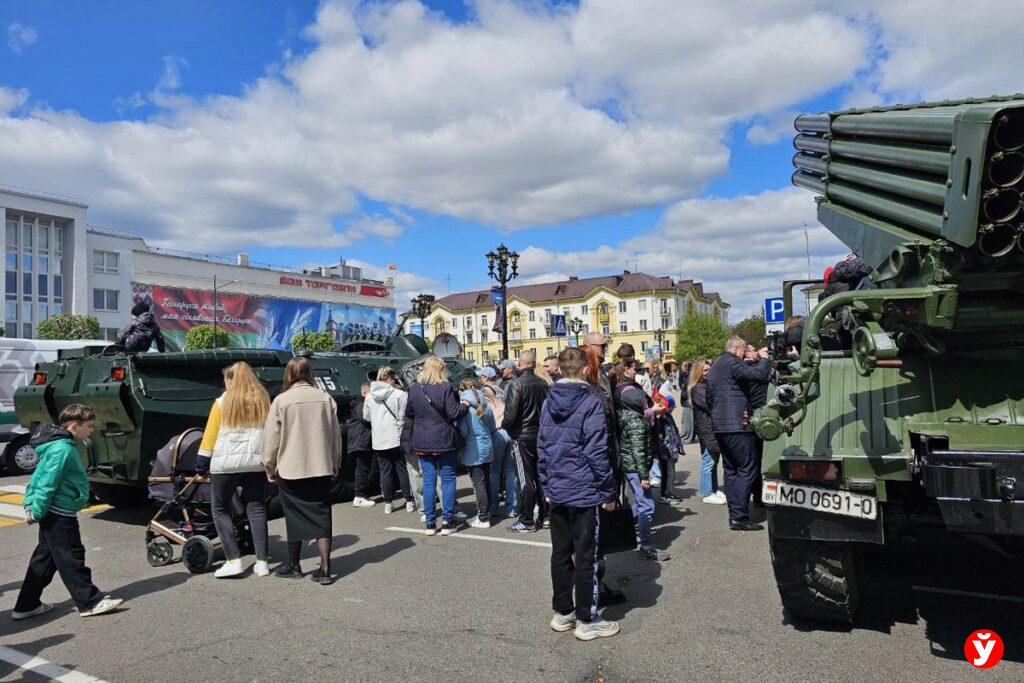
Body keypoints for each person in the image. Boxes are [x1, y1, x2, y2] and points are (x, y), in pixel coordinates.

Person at [539, 347, 620, 641]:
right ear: (585, 370)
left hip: (559, 488)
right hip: (584, 489)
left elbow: (542, 446)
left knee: (561, 553)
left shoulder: (549, 401)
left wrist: (546, 485)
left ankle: (563, 612)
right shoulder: (590, 402)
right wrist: (608, 491)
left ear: (560, 369)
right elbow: (596, 451)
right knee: (587, 556)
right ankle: (587, 618)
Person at [13, 404, 124, 620]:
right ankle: (90, 602)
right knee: (71, 557)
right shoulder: (63, 449)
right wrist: (36, 511)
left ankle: (26, 605)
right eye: (89, 426)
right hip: (59, 512)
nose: (92, 430)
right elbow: (46, 482)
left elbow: (38, 477)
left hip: (55, 511)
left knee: (44, 560)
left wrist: (32, 506)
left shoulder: (57, 446)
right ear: (74, 426)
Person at [261, 357, 342, 584]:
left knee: (293, 516)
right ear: (309, 373)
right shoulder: (325, 398)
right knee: (322, 515)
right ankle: (325, 568)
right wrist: (335, 461)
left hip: (290, 468)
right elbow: (335, 435)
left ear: (289, 374)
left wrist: (269, 465)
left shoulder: (281, 401)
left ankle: (294, 565)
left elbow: (271, 439)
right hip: (321, 466)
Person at [196, 362, 272, 578]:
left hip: (225, 465)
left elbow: (209, 437)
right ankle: (262, 562)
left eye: (226, 381)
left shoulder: (222, 403)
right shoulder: (263, 401)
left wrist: (201, 465)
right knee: (256, 509)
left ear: (232, 380)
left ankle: (233, 560)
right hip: (255, 463)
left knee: (220, 509)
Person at [707, 336, 771, 531]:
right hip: (737, 425)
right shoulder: (733, 362)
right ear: (736, 349)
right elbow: (759, 374)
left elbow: (710, 397)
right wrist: (764, 357)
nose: (745, 355)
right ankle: (739, 517)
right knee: (746, 468)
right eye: (744, 351)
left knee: (731, 470)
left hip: (720, 426)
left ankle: (734, 514)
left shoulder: (717, 365)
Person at [612, 359, 670, 562]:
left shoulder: (627, 415)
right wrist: (645, 475)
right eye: (645, 403)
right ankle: (646, 546)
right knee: (647, 506)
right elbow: (638, 450)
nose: (648, 406)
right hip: (636, 467)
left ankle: (622, 527)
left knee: (640, 504)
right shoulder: (637, 422)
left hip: (630, 465)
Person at [406, 356, 469, 536]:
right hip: (444, 439)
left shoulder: (414, 388)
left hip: (422, 440)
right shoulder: (445, 387)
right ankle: (447, 522)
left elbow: (409, 412)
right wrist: (464, 405)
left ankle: (430, 523)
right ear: (442, 369)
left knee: (428, 481)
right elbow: (454, 413)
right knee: (448, 480)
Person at [502, 349, 551, 533]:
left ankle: (526, 519)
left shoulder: (516, 384)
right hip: (540, 435)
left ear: (520, 364)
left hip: (522, 436)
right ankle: (545, 516)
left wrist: (507, 427)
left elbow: (510, 415)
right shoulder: (543, 383)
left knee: (525, 479)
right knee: (541, 476)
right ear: (534, 363)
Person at [364, 367, 415, 514]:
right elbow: (405, 414)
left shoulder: (369, 396)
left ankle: (388, 502)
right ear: (390, 378)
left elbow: (366, 416)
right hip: (396, 436)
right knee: (402, 469)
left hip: (379, 438)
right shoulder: (400, 394)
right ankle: (409, 501)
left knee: (385, 471)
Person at [478, 368, 518, 520]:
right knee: (510, 472)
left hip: (496, 434)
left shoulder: (485, 396)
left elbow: (486, 418)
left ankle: (494, 507)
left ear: (486, 378)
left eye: (481, 377)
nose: (480, 380)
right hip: (508, 431)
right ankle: (512, 508)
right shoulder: (501, 392)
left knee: (494, 472)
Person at [457, 379, 495, 529]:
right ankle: (488, 512)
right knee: (486, 482)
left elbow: (464, 431)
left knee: (478, 484)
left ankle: (483, 517)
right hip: (487, 445)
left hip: (473, 448)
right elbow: (492, 426)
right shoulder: (486, 405)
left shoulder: (466, 409)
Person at [689, 359, 725, 505]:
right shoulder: (698, 388)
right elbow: (711, 405)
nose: (708, 372)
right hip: (706, 428)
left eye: (709, 369)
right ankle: (706, 492)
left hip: (711, 427)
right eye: (705, 370)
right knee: (708, 460)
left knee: (714, 460)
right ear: (699, 373)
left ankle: (713, 489)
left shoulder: (706, 385)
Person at [744, 344, 770, 509]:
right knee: (758, 458)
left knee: (756, 458)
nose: (757, 352)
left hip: (755, 416)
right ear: (747, 353)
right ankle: (759, 496)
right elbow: (761, 375)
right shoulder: (749, 369)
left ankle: (758, 495)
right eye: (754, 350)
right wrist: (765, 358)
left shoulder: (747, 369)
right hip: (758, 417)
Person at [348, 382, 377, 509]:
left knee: (364, 468)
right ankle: (359, 497)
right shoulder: (361, 404)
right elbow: (366, 419)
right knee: (362, 469)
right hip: (361, 441)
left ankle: (361, 495)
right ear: (365, 392)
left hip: (361, 440)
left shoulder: (359, 404)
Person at [677, 360, 697, 444]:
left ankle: (686, 438)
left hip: (687, 402)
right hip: (687, 402)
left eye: (683, 366)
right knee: (689, 421)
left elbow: (687, 389)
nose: (682, 367)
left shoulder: (689, 376)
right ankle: (690, 436)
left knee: (687, 422)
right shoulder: (688, 375)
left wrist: (683, 394)